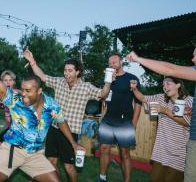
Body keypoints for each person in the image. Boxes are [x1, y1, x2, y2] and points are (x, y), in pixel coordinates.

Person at [0, 39, 85, 182]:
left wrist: (74, 144)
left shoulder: (51, 105)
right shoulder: (15, 99)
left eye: (28, 90)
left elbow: (61, 121)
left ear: (39, 91)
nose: (23, 93)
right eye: (22, 89)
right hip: (12, 150)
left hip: (35, 155)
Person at [23, 49, 111, 182]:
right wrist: (32, 61)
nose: (66, 73)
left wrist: (108, 80)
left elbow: (103, 94)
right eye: (65, 70)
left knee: (69, 166)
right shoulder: (59, 82)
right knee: (51, 162)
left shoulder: (86, 87)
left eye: (70, 70)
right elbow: (42, 76)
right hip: (54, 128)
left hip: (71, 132)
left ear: (77, 72)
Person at [126, 49, 196, 182]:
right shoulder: (161, 98)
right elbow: (143, 99)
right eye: (163, 84)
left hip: (179, 155)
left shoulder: (189, 101)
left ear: (178, 85)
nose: (165, 86)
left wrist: (164, 111)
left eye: (168, 83)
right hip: (160, 152)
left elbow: (188, 123)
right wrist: (135, 89)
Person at [97, 53, 142, 182]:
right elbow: (103, 98)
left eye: (114, 62)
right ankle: (102, 178)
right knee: (104, 148)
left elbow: (138, 102)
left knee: (125, 154)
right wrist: (109, 81)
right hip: (108, 120)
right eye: (110, 63)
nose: (112, 65)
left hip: (125, 122)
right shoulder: (108, 80)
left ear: (121, 62)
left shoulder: (132, 78)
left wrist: (134, 123)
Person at [0, 70, 19, 157]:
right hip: (11, 128)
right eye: (5, 80)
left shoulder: (19, 94)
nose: (8, 82)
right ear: (2, 82)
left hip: (20, 129)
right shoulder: (0, 96)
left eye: (10, 80)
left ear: (14, 82)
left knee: (11, 153)